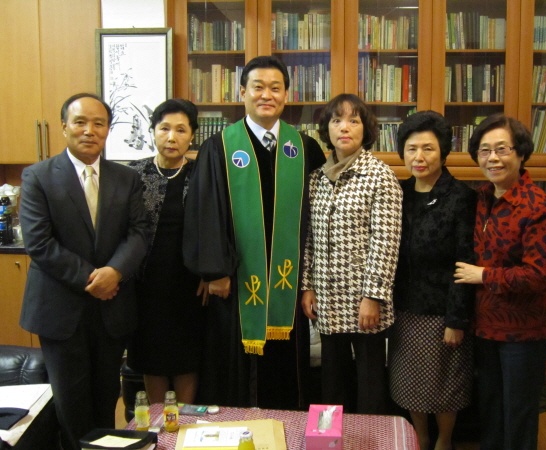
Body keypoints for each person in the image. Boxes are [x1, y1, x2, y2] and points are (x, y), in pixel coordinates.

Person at [183, 55, 326, 410]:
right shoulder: (219, 146)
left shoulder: (304, 148)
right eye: (258, 87)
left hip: (288, 283)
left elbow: (318, 217)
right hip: (235, 282)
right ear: (242, 92)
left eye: (275, 88)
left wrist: (310, 278)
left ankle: (287, 428)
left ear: (286, 95)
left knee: (287, 369)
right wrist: (215, 270)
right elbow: (205, 210)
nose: (267, 95)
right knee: (235, 369)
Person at [19, 93, 147, 450]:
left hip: (112, 308)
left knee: (106, 400)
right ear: (64, 127)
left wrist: (115, 272)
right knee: (71, 406)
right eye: (80, 122)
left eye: (98, 123)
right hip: (61, 309)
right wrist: (94, 279)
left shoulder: (126, 178)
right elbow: (39, 242)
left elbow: (139, 233)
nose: (89, 130)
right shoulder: (38, 177)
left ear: (107, 130)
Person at [454, 113, 546, 450]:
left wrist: (483, 275)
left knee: (519, 412)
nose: (493, 158)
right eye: (484, 151)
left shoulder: (538, 206)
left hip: (522, 331)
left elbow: (536, 275)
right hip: (485, 326)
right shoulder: (483, 197)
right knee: (490, 407)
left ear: (521, 153)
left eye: (502, 149)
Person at [300, 93, 402, 414]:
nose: (344, 127)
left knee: (370, 381)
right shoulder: (316, 179)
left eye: (353, 121)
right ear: (327, 129)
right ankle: (331, 437)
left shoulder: (380, 176)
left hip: (364, 302)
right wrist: (307, 286)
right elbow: (309, 238)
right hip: (327, 299)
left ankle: (370, 437)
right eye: (336, 120)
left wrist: (373, 296)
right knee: (332, 381)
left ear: (365, 129)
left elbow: (386, 242)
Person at [388, 111, 476, 450]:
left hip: (442, 310)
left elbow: (465, 261)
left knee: (444, 384)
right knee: (410, 382)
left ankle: (444, 441)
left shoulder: (461, 196)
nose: (419, 157)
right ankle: (420, 438)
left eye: (428, 148)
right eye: (411, 149)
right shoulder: (398, 192)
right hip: (404, 307)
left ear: (442, 151)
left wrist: (456, 320)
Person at [127, 99, 203, 404]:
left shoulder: (201, 173)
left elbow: (216, 225)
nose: (172, 137)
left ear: (192, 136)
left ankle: (185, 420)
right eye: (164, 128)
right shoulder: (134, 174)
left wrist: (211, 271)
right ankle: (159, 421)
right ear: (153, 131)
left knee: (187, 355)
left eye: (181, 130)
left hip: (190, 283)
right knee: (151, 355)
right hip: (146, 284)